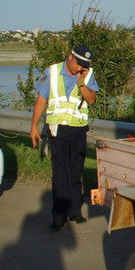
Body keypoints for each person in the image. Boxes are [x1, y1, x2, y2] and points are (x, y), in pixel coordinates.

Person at [29, 45, 99, 231]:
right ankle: (58, 216)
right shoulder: (51, 72)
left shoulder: (87, 74)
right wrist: (34, 126)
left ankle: (75, 211)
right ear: (70, 57)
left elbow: (91, 100)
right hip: (57, 129)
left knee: (76, 171)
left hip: (78, 129)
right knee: (60, 173)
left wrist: (81, 82)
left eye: (84, 65)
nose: (80, 68)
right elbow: (41, 100)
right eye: (78, 64)